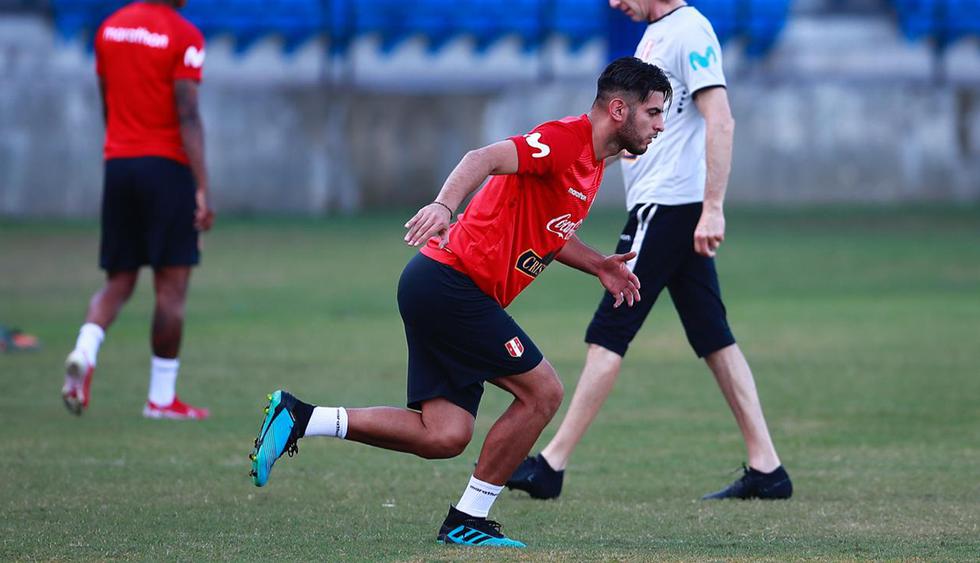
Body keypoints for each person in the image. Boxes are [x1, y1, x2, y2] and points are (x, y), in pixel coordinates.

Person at [248, 57, 672, 548]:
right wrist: (443, 206)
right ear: (619, 110)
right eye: (654, 112)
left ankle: (300, 416)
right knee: (544, 392)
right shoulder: (564, 140)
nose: (661, 124)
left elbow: (549, 232)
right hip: (451, 285)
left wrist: (597, 263)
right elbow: (481, 157)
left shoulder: (593, 162)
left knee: (443, 435)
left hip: (444, 288)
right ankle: (469, 518)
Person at [506, 0, 792, 501]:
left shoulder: (691, 32)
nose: (615, 3)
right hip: (672, 205)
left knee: (609, 333)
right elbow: (636, 137)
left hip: (667, 205)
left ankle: (551, 464)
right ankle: (767, 468)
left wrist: (714, 207)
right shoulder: (656, 35)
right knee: (713, 336)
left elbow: (720, 120)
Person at [61, 0, 213, 420]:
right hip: (166, 167)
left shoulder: (109, 28)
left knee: (119, 280)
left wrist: (120, 151)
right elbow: (188, 113)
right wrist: (202, 186)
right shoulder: (183, 34)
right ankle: (161, 398)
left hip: (119, 163)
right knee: (170, 286)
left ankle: (84, 351)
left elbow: (107, 102)